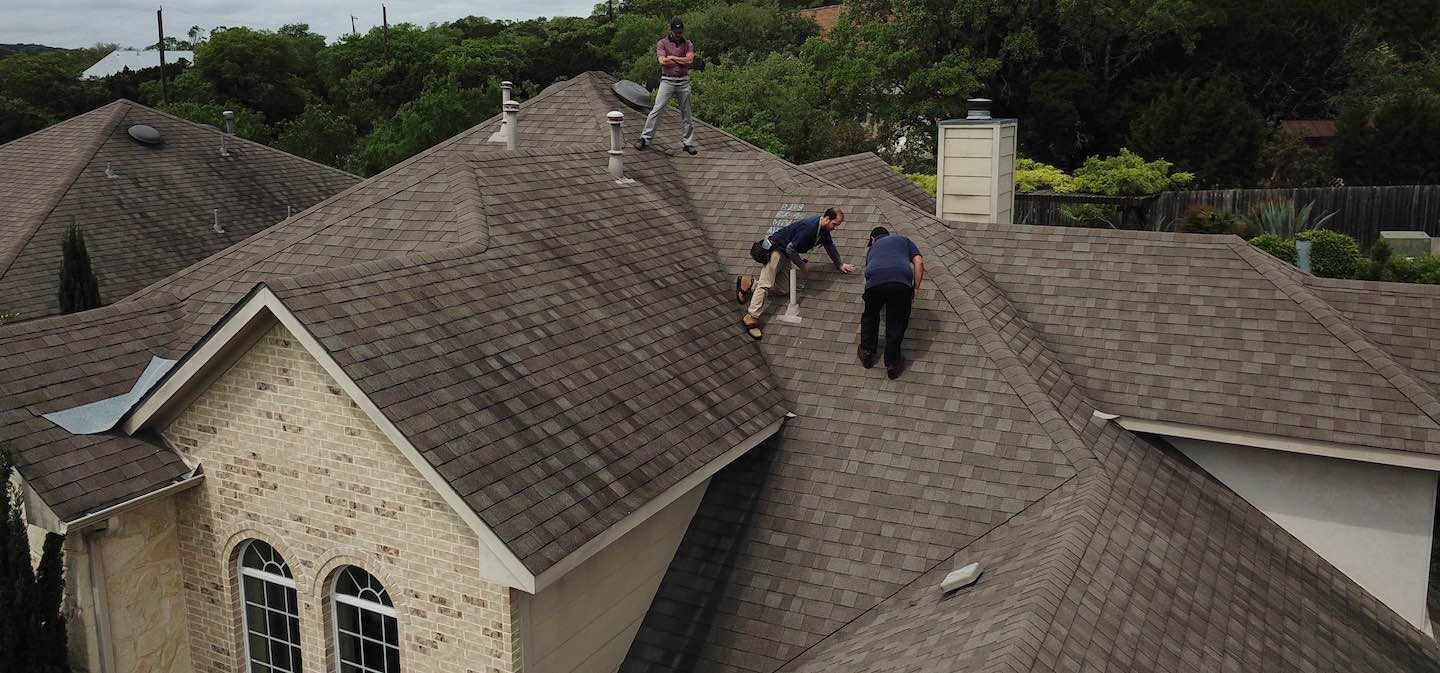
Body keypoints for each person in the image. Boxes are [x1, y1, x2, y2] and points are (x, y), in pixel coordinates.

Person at [740, 208, 856, 339]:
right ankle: (751, 317)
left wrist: (840, 264)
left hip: (785, 255)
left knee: (784, 289)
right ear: (827, 219)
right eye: (835, 224)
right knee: (766, 283)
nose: (836, 228)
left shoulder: (823, 231)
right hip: (776, 250)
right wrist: (802, 265)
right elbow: (791, 248)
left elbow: (830, 246)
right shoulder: (810, 227)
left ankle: (750, 284)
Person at [858, 227, 923, 379]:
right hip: (901, 283)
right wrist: (915, 288)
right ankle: (893, 365)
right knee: (896, 322)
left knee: (870, 316)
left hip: (875, 283)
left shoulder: (872, 248)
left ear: (873, 239)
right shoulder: (903, 240)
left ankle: (867, 353)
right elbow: (918, 262)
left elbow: (869, 275)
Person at [636, 18, 698, 155]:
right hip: (667, 80)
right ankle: (645, 139)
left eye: (680, 31)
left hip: (683, 81)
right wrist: (679, 61)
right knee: (657, 109)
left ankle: (688, 143)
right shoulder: (662, 43)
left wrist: (673, 58)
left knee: (687, 112)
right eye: (676, 32)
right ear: (671, 30)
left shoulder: (687, 44)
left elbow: (690, 60)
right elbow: (663, 61)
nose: (678, 34)